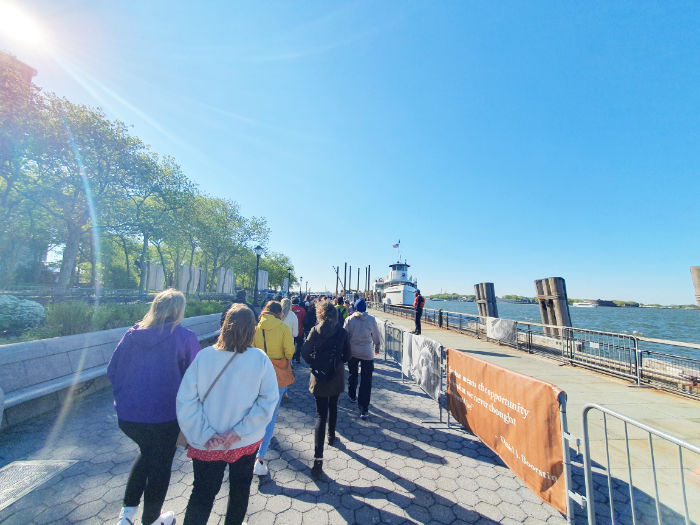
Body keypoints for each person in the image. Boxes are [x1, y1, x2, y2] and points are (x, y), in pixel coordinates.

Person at [177, 304, 278, 525]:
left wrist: (204, 433)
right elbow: (269, 399)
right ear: (252, 329)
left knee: (202, 494)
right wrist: (240, 430)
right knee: (240, 491)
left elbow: (185, 400)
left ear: (225, 326)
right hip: (244, 441)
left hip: (208, 443)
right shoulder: (259, 359)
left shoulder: (204, 357)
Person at [107, 289, 201, 525]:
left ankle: (126, 515)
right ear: (179, 311)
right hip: (165, 417)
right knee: (160, 465)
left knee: (146, 453)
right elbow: (197, 377)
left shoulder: (132, 334)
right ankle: (151, 518)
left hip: (129, 417)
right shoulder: (185, 337)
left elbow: (112, 370)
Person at [302, 301, 351, 477]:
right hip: (335, 375)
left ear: (320, 313)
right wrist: (336, 361)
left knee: (320, 414)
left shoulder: (315, 330)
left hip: (319, 377)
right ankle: (331, 436)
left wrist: (315, 364)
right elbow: (348, 355)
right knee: (333, 406)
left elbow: (305, 352)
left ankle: (318, 459)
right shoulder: (342, 332)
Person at [251, 301, 295, 475]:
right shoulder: (283, 328)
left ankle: (250, 447)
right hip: (277, 373)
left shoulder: (255, 327)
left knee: (257, 411)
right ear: (279, 313)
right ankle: (260, 458)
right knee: (271, 414)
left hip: (258, 372)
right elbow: (290, 352)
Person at [343, 298, 381, 420]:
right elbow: (376, 335)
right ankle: (364, 408)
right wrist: (377, 346)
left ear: (355, 308)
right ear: (365, 308)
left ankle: (352, 394)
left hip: (353, 352)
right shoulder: (371, 320)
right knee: (366, 380)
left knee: (353, 373)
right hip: (367, 353)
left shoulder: (349, 319)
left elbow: (345, 335)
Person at [291, 297, 306, 364]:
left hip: (290, 330)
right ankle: (297, 357)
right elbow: (304, 320)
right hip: (299, 329)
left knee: (291, 344)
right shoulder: (302, 310)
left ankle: (291, 357)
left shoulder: (289, 309)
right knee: (299, 344)